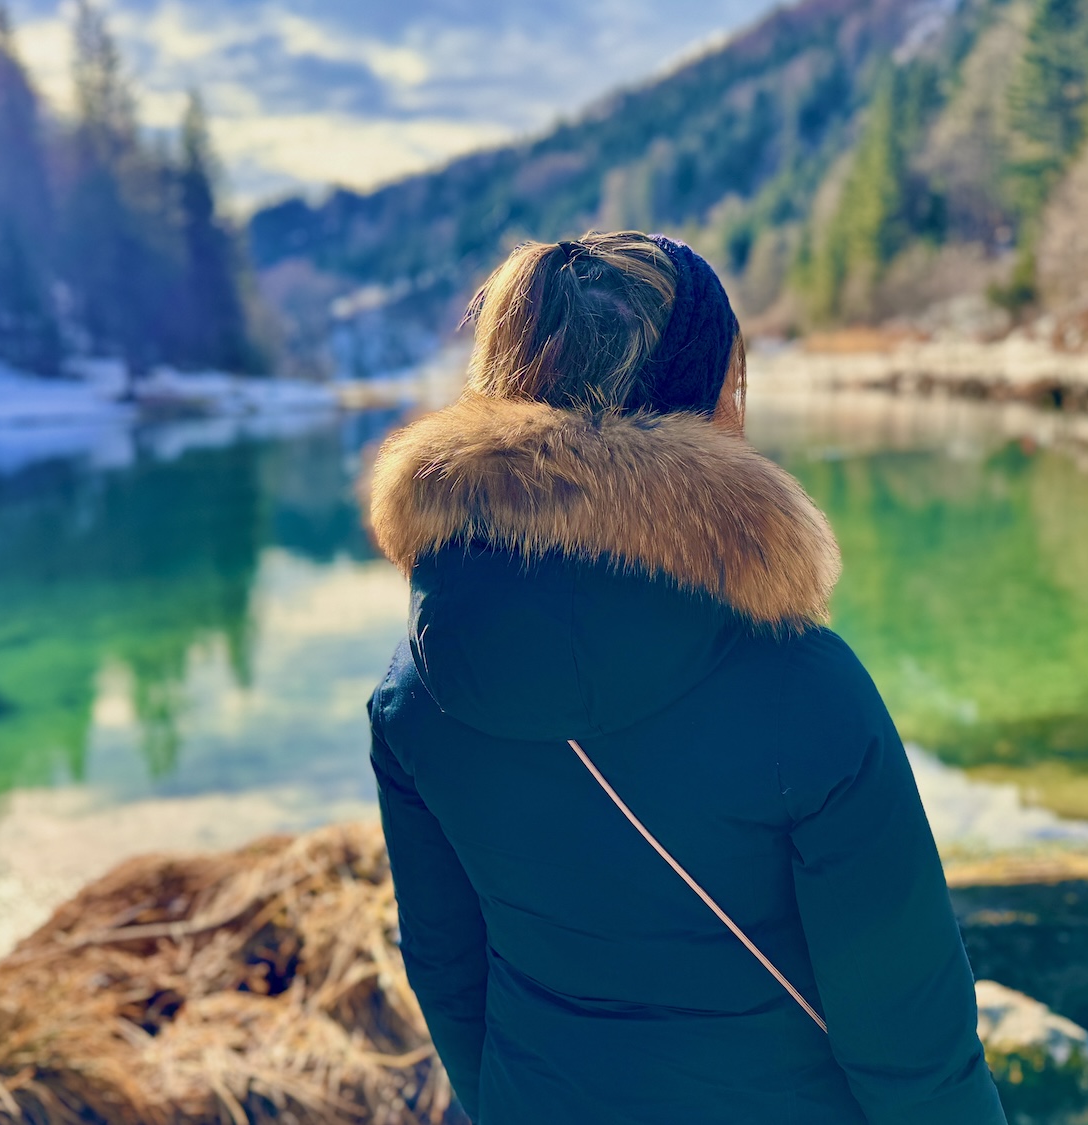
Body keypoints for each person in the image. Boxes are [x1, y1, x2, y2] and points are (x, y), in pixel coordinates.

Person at [365, 230, 1007, 1125]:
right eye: (733, 385)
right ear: (703, 401)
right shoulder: (804, 686)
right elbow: (912, 1042)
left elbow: (446, 968)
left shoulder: (414, 694)